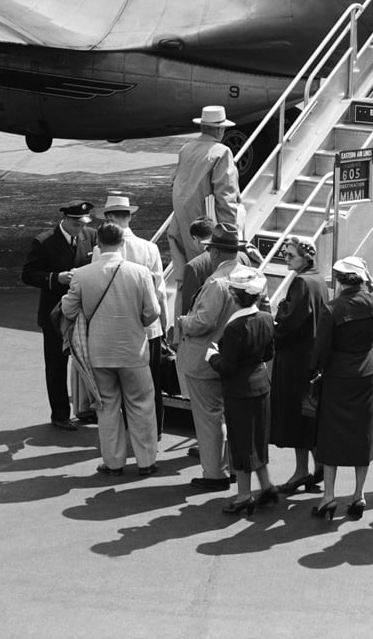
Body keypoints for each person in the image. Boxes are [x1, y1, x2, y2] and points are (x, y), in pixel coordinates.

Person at [60, 222, 161, 477]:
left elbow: (68, 310)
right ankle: (146, 460)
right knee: (141, 405)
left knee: (106, 407)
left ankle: (113, 462)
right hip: (133, 352)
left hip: (99, 352)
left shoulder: (83, 274)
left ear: (98, 244)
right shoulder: (139, 273)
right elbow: (152, 313)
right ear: (122, 242)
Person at [309, 257, 373, 519]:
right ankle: (358, 494)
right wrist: (371, 281)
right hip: (366, 373)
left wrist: (313, 371)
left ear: (340, 280)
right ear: (363, 278)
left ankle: (329, 496)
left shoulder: (332, 309)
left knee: (331, 435)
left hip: (338, 376)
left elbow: (321, 349)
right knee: (361, 434)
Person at [176, 222, 246, 491]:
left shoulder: (216, 283)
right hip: (236, 356)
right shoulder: (250, 275)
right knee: (228, 414)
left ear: (215, 252)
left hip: (206, 356)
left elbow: (202, 322)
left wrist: (184, 321)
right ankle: (231, 467)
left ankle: (214, 473)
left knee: (208, 418)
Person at [206, 264, 277, 515]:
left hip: (239, 391)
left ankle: (244, 495)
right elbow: (268, 353)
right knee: (258, 439)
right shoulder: (267, 319)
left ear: (234, 297)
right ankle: (266, 485)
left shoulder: (235, 328)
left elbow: (227, 367)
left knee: (241, 443)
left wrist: (212, 356)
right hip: (261, 385)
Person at [22, 199, 95, 430]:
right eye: (76, 225)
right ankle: (60, 414)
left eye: (83, 225)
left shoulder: (91, 235)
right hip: (55, 314)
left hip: (83, 311)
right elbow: (29, 274)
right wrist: (56, 278)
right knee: (56, 365)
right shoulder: (44, 242)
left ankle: (88, 407)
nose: (80, 229)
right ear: (65, 220)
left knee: (89, 361)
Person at [102, 193, 168, 443]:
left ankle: (125, 434)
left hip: (115, 329)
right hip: (148, 328)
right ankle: (154, 432)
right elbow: (160, 292)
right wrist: (164, 326)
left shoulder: (101, 251)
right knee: (150, 385)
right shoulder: (149, 248)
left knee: (117, 387)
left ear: (109, 218)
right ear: (129, 217)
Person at [270, 235, 329, 494]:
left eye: (291, 254)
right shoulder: (318, 280)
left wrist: (276, 323)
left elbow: (290, 321)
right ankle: (317, 467)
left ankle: (301, 470)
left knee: (297, 416)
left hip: (296, 359)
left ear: (306, 257)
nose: (286, 258)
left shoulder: (302, 283)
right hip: (312, 356)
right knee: (309, 416)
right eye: (285, 253)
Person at [168, 105, 243, 267]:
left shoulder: (186, 149)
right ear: (220, 130)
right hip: (208, 228)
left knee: (192, 273)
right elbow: (226, 196)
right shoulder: (221, 152)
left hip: (183, 223)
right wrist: (230, 235)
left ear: (202, 127)